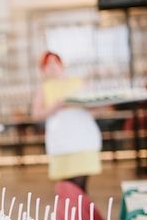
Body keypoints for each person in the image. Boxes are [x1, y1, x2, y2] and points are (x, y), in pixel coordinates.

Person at [31, 51, 102, 192]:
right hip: (61, 140)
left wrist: (97, 106)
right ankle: (73, 212)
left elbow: (94, 109)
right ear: (43, 70)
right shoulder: (43, 88)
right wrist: (55, 107)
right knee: (68, 185)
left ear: (61, 64)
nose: (52, 67)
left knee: (82, 182)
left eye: (54, 62)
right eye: (47, 64)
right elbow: (36, 114)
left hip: (83, 137)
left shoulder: (79, 83)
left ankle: (82, 212)